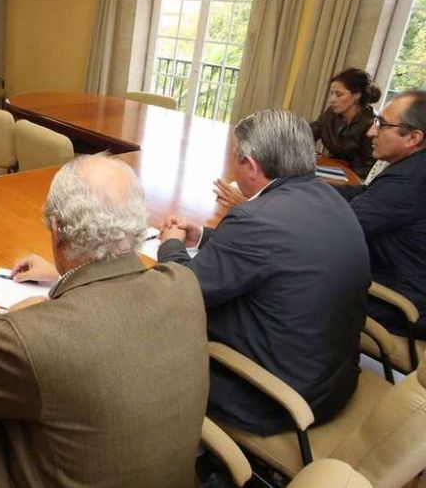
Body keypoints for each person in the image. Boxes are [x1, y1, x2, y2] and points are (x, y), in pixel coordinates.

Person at [0, 155, 209, 487]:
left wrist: (3, 318)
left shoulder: (28, 336)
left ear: (58, 228)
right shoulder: (183, 284)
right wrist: (65, 276)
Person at [158, 109, 370, 435]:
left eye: (235, 159)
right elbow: (275, 253)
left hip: (275, 398)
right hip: (334, 379)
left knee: (151, 339)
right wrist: (200, 237)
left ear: (252, 166)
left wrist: (171, 245)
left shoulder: (257, 218)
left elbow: (183, 291)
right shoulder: (331, 198)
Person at [335, 90, 426, 340]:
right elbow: (363, 193)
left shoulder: (406, 182)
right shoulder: (414, 169)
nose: (371, 132)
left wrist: (280, 204)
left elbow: (338, 229)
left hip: (405, 305)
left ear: (413, 138)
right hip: (403, 283)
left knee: (293, 273)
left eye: (383, 125)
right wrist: (302, 186)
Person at [311, 68, 382, 178]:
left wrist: (333, 171)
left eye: (338, 95)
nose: (331, 99)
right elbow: (312, 131)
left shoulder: (372, 123)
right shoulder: (332, 113)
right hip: (331, 170)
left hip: (353, 180)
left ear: (356, 95)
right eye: (332, 94)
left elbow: (368, 168)